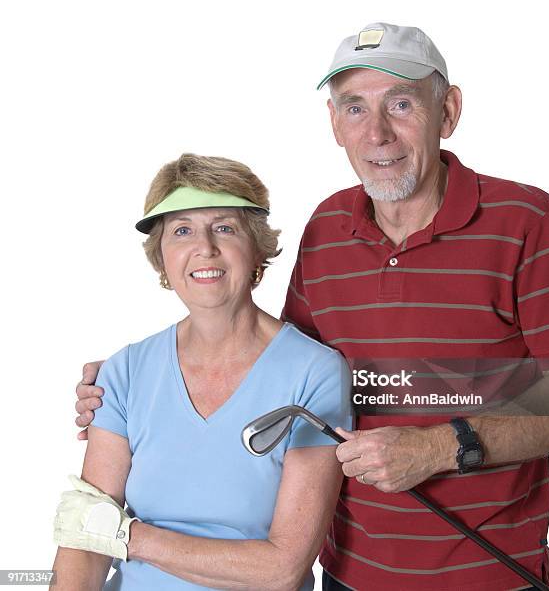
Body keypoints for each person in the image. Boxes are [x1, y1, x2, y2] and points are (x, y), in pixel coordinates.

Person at [75, 24, 549, 590]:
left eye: (401, 104)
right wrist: (126, 388)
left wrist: (442, 446)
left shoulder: (523, 220)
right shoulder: (328, 228)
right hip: (349, 574)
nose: (378, 134)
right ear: (334, 124)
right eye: (354, 109)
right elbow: (280, 370)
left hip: (490, 573)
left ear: (447, 112)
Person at [53, 154, 352, 590]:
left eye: (224, 228)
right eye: (182, 231)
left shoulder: (315, 372)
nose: (205, 248)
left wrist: (127, 536)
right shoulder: (124, 373)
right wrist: (99, 537)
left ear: (256, 248)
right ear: (162, 258)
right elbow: (83, 544)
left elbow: (282, 569)